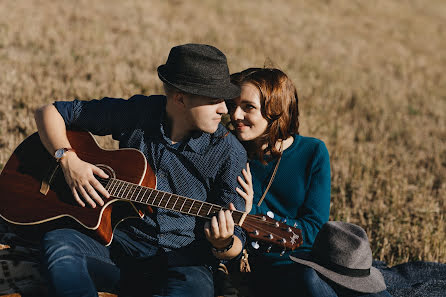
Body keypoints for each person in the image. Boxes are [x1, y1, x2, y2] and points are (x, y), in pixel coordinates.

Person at [34, 43, 252, 297]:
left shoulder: (229, 152)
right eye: (214, 100)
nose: (225, 109)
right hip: (117, 246)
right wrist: (68, 160)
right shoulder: (139, 113)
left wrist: (223, 242)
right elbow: (49, 112)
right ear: (180, 98)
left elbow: (236, 236)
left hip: (184, 263)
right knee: (58, 243)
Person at [220, 67, 390, 296]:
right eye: (233, 106)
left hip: (307, 266)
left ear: (275, 109)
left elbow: (314, 230)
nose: (235, 115)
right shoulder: (231, 154)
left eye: (248, 107)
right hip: (257, 272)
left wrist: (254, 212)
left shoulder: (312, 152)